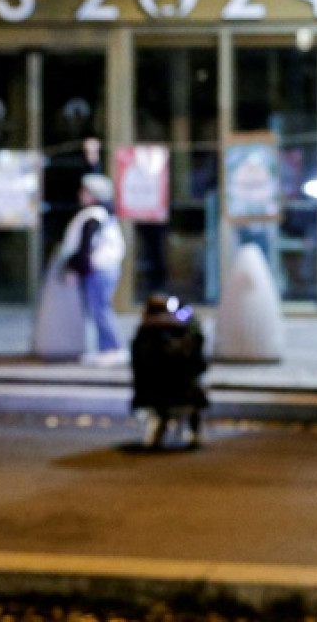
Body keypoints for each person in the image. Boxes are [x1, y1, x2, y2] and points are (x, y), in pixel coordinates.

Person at [58, 173, 126, 365]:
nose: (81, 194)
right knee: (99, 309)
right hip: (103, 268)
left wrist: (75, 269)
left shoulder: (93, 216)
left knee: (100, 309)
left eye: (85, 191)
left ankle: (113, 347)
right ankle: (106, 348)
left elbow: (85, 247)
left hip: (99, 269)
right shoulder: (102, 213)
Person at [130, 294, 209, 449]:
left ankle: (160, 429)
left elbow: (137, 368)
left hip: (150, 393)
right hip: (187, 392)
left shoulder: (142, 334)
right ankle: (194, 431)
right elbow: (199, 364)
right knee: (196, 383)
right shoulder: (186, 331)